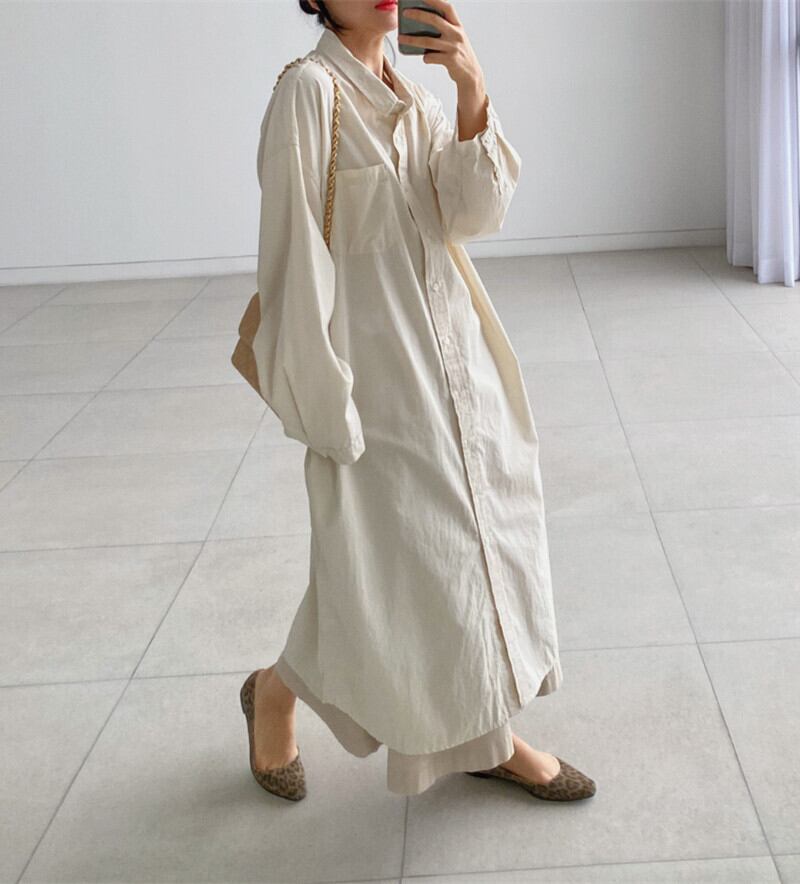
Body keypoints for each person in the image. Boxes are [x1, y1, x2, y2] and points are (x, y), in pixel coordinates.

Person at [238, 0, 597, 802]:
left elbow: (471, 217)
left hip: (457, 368)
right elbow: (291, 265)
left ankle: (455, 728)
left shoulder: (418, 99)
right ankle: (466, 736)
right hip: (376, 388)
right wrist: (326, 410)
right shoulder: (308, 93)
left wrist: (471, 90)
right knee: (408, 567)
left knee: (424, 564)